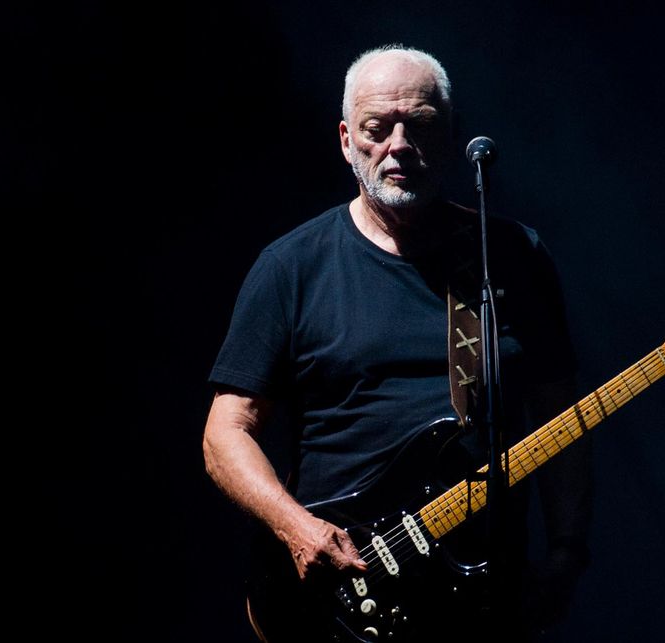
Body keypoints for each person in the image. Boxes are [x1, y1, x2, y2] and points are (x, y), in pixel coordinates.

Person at [202, 45, 591, 641]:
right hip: (348, 593)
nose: (399, 145)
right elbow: (225, 432)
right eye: (377, 129)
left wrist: (566, 551)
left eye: (421, 126)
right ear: (345, 139)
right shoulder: (291, 267)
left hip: (485, 593)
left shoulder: (510, 256)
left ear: (450, 134)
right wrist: (297, 528)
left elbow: (560, 419)